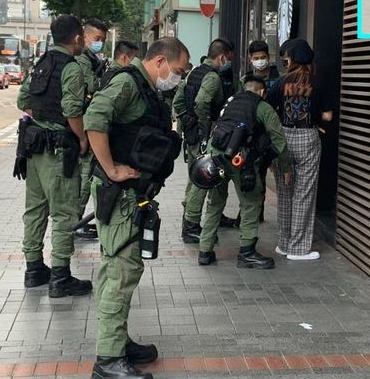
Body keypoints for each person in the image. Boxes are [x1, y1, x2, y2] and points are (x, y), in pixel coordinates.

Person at [84, 37, 188, 379]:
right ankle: (109, 360)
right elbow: (94, 119)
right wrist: (112, 169)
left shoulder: (146, 89)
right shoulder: (128, 83)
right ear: (160, 61)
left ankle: (118, 342)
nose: (178, 77)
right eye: (177, 71)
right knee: (120, 273)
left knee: (122, 268)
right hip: (120, 193)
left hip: (133, 193)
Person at [15, 14, 93, 298]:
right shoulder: (71, 68)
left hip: (33, 148)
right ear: (76, 38)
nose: (84, 41)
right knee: (63, 212)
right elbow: (73, 110)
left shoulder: (42, 63)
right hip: (59, 150)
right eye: (83, 36)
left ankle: (34, 268)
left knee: (35, 209)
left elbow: (23, 100)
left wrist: (45, 117)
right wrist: (83, 138)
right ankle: (60, 275)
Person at [195, 75, 291, 269]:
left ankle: (205, 251)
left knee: (215, 202)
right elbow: (279, 140)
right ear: (262, 92)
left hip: (215, 159)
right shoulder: (262, 106)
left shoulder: (230, 102)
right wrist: (286, 167)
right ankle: (247, 252)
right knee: (251, 203)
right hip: (240, 161)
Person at [267, 39, 332, 261]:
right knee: (304, 193)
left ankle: (284, 243)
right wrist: (320, 123)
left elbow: (268, 110)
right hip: (308, 137)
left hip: (283, 138)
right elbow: (328, 115)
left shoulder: (280, 82)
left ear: (292, 58)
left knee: (284, 191)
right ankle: (298, 248)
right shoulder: (318, 81)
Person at [171, 38, 233, 242]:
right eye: (228, 58)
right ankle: (191, 226)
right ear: (222, 56)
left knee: (194, 176)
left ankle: (189, 219)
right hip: (203, 135)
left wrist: (186, 121)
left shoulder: (193, 72)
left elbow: (179, 102)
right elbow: (201, 102)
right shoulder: (212, 77)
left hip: (191, 133)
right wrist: (206, 128)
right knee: (202, 179)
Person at [75, 18, 109, 240]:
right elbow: (92, 87)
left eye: (103, 40)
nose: (100, 44)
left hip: (84, 127)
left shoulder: (90, 59)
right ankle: (74, 223)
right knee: (83, 181)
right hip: (81, 130)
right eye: (97, 39)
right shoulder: (82, 61)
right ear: (84, 37)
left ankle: (74, 223)